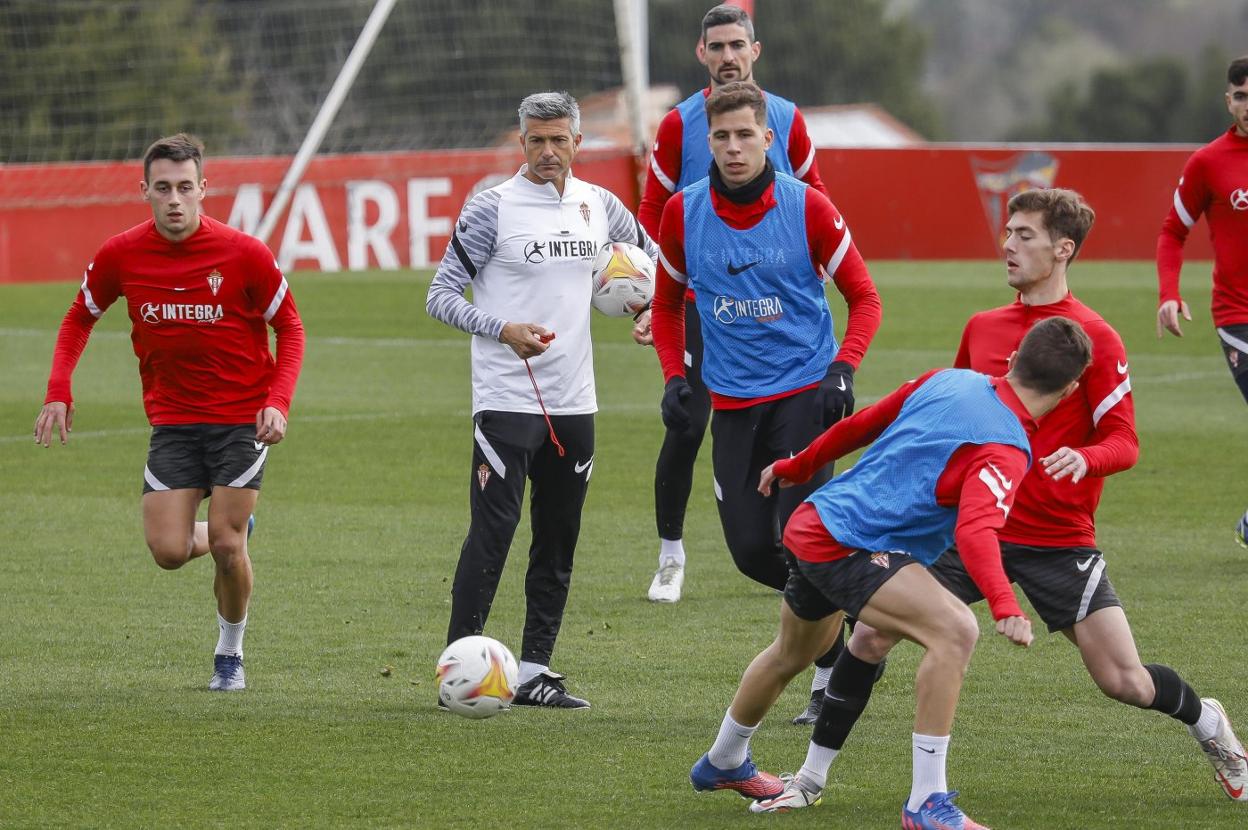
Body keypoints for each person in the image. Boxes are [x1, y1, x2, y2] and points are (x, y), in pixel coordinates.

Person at [760, 188, 1248, 816]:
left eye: (1024, 235)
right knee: (871, 637)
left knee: (1121, 679)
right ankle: (810, 779)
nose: (1008, 245)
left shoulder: (1091, 338)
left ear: (1062, 249)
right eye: (1008, 232)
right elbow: (954, 416)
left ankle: (1209, 723)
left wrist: (1086, 457)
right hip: (966, 531)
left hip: (1056, 536)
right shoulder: (983, 327)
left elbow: (1124, 441)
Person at [690, 316, 1092, 827]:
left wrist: (796, 466)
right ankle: (927, 803)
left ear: (1012, 360)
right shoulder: (1005, 448)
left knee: (795, 652)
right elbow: (975, 532)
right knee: (955, 631)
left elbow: (862, 424)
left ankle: (723, 760)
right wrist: (1005, 605)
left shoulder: (949, 378)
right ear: (1071, 389)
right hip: (846, 544)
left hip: (814, 521)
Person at [34, 133, 305, 692]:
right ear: (145, 191)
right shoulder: (121, 254)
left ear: (204, 188)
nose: (175, 199)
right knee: (168, 551)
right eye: (163, 188)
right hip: (174, 421)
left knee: (228, 548)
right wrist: (59, 388)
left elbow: (291, 328)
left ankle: (229, 654)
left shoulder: (244, 253)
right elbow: (77, 318)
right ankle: (232, 524)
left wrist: (277, 402)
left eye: (185, 187)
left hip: (240, 420)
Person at [650, 78, 880, 720]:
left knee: (803, 541)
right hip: (732, 405)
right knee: (754, 552)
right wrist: (674, 376)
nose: (732, 147)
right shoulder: (682, 213)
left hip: (805, 397)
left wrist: (843, 369)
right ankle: (866, 605)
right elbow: (667, 304)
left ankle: (829, 673)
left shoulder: (807, 207)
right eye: (720, 137)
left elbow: (865, 297)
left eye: (744, 135)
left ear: (767, 138)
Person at [426, 91, 658, 710]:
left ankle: (535, 671)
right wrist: (502, 328)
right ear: (521, 142)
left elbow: (651, 266)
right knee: (492, 534)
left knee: (559, 536)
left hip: (575, 401)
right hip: (506, 400)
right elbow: (441, 293)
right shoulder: (491, 209)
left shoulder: (600, 205)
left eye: (559, 140)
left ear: (578, 142)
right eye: (537, 140)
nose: (548, 152)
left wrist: (650, 310)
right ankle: (459, 669)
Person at [634, 3, 832, 608]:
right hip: (699, 302)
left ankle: (804, 558)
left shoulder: (789, 120)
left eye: (735, 45)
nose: (726, 56)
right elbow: (650, 211)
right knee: (687, 420)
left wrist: (803, 282)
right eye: (715, 47)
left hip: (773, 307)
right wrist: (652, 294)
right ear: (702, 55)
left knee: (790, 423)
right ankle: (671, 556)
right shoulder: (677, 125)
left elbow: (815, 199)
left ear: (755, 50)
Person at [1155, 55, 1248, 544]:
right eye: (1242, 96)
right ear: (1228, 100)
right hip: (1239, 316)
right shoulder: (1209, 162)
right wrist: (1169, 294)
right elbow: (1173, 232)